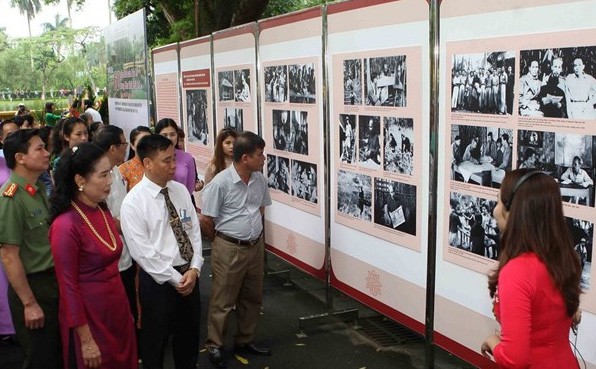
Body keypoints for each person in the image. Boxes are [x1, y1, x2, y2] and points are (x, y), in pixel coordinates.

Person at [481, 169, 582, 368]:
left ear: (514, 212)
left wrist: (493, 342)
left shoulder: (517, 271)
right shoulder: (565, 258)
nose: (494, 210)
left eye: (500, 202)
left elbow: (515, 359)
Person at [49, 143, 137, 368]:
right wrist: (86, 340)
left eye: (110, 173)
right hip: (89, 318)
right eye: (104, 175)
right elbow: (68, 287)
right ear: (80, 181)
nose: (110, 181)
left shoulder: (101, 209)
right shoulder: (66, 225)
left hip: (116, 309)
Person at [121, 134, 203, 369]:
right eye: (166, 161)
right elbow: (143, 253)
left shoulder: (179, 191)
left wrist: (195, 269)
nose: (174, 166)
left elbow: (193, 234)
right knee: (155, 343)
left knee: (188, 340)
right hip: (159, 283)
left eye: (174, 158)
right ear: (147, 163)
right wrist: (178, 279)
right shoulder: (134, 202)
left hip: (190, 276)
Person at [200, 131, 272, 368]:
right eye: (260, 154)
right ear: (245, 158)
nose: (264, 159)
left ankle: (245, 339)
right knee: (223, 299)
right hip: (229, 247)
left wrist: (254, 235)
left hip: (254, 247)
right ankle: (215, 344)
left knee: (252, 297)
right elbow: (207, 219)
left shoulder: (259, 179)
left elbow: (260, 209)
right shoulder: (220, 183)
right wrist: (222, 242)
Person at [0, 129, 62, 368]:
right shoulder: (10, 198)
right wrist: (29, 303)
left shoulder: (36, 192)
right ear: (20, 158)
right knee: (40, 358)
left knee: (55, 354)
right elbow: (8, 255)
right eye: (39, 149)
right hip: (33, 288)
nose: (47, 153)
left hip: (51, 284)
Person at [92, 125, 138, 329]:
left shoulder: (117, 171)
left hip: (125, 248)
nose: (126, 148)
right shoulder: (99, 176)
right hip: (111, 251)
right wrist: (127, 227)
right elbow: (99, 215)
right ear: (112, 148)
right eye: (123, 143)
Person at [155, 118, 197, 196]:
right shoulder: (153, 157)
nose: (169, 138)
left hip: (182, 202)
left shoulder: (187, 158)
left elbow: (190, 188)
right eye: (164, 135)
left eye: (172, 134)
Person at [119, 125, 151, 191]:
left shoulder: (158, 165)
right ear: (132, 145)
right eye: (141, 142)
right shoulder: (123, 170)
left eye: (149, 141)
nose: (146, 145)